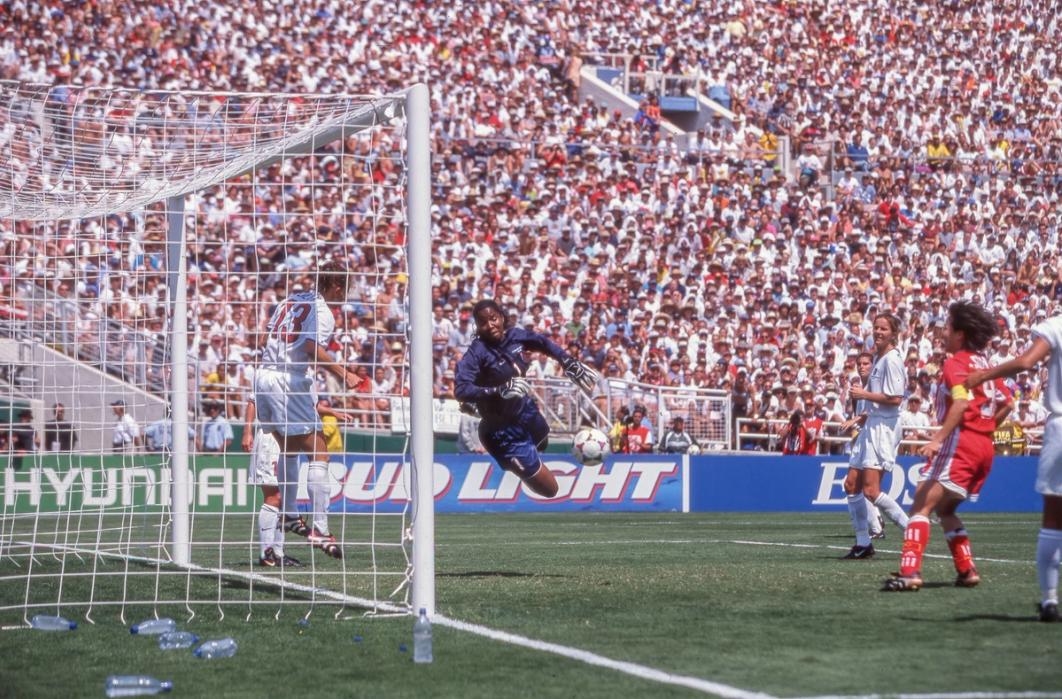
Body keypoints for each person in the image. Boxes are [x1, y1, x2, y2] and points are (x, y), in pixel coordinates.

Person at [884, 302, 1012, 592]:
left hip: (961, 443)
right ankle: (967, 570)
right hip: (983, 448)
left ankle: (910, 572)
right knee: (946, 509)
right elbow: (1008, 402)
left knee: (921, 503)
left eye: (949, 326)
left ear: (960, 334)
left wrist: (937, 439)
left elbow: (962, 403)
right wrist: (986, 428)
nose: (944, 331)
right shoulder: (985, 364)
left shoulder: (957, 363)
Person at [253, 262, 358, 559]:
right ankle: (321, 528)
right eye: (345, 289)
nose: (344, 295)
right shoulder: (324, 312)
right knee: (319, 448)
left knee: (288, 447)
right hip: (289, 378)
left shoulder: (292, 299)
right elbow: (312, 347)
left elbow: (267, 337)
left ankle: (288, 513)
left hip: (264, 375)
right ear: (336, 286)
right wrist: (343, 373)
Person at [964, 312, 1062, 620]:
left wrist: (983, 375)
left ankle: (1049, 600)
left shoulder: (1057, 325)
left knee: (1053, 520)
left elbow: (1025, 362)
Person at [454, 299, 598, 497]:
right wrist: (498, 390)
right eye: (483, 323)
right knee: (551, 490)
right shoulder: (477, 352)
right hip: (501, 432)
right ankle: (514, 460)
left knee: (543, 440)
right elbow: (460, 389)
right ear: (478, 327)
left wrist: (566, 360)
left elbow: (542, 342)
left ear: (502, 317)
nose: (490, 325)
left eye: (493, 318)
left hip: (524, 410)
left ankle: (525, 452)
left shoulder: (515, 336)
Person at [841, 315, 910, 558]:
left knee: (871, 490)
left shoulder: (892, 360)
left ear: (893, 333)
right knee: (851, 484)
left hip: (883, 428)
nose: (878, 332)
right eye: (876, 328)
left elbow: (895, 399)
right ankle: (863, 544)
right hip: (870, 426)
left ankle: (912, 530)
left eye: (884, 328)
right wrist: (858, 418)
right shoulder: (880, 359)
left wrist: (863, 395)